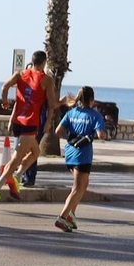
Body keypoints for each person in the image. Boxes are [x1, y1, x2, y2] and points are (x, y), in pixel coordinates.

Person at [0, 50, 49, 207]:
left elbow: (4, 88)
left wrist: (5, 103)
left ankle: (16, 178)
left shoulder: (20, 74)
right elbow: (52, 103)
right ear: (43, 63)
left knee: (36, 152)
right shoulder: (45, 79)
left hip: (18, 122)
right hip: (29, 123)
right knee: (16, 158)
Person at [53, 86, 107, 233]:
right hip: (82, 155)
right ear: (92, 100)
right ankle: (62, 217)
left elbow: (58, 131)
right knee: (78, 188)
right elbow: (101, 135)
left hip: (70, 152)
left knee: (82, 185)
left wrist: (72, 138)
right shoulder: (95, 115)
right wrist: (99, 134)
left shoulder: (71, 113)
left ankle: (71, 215)